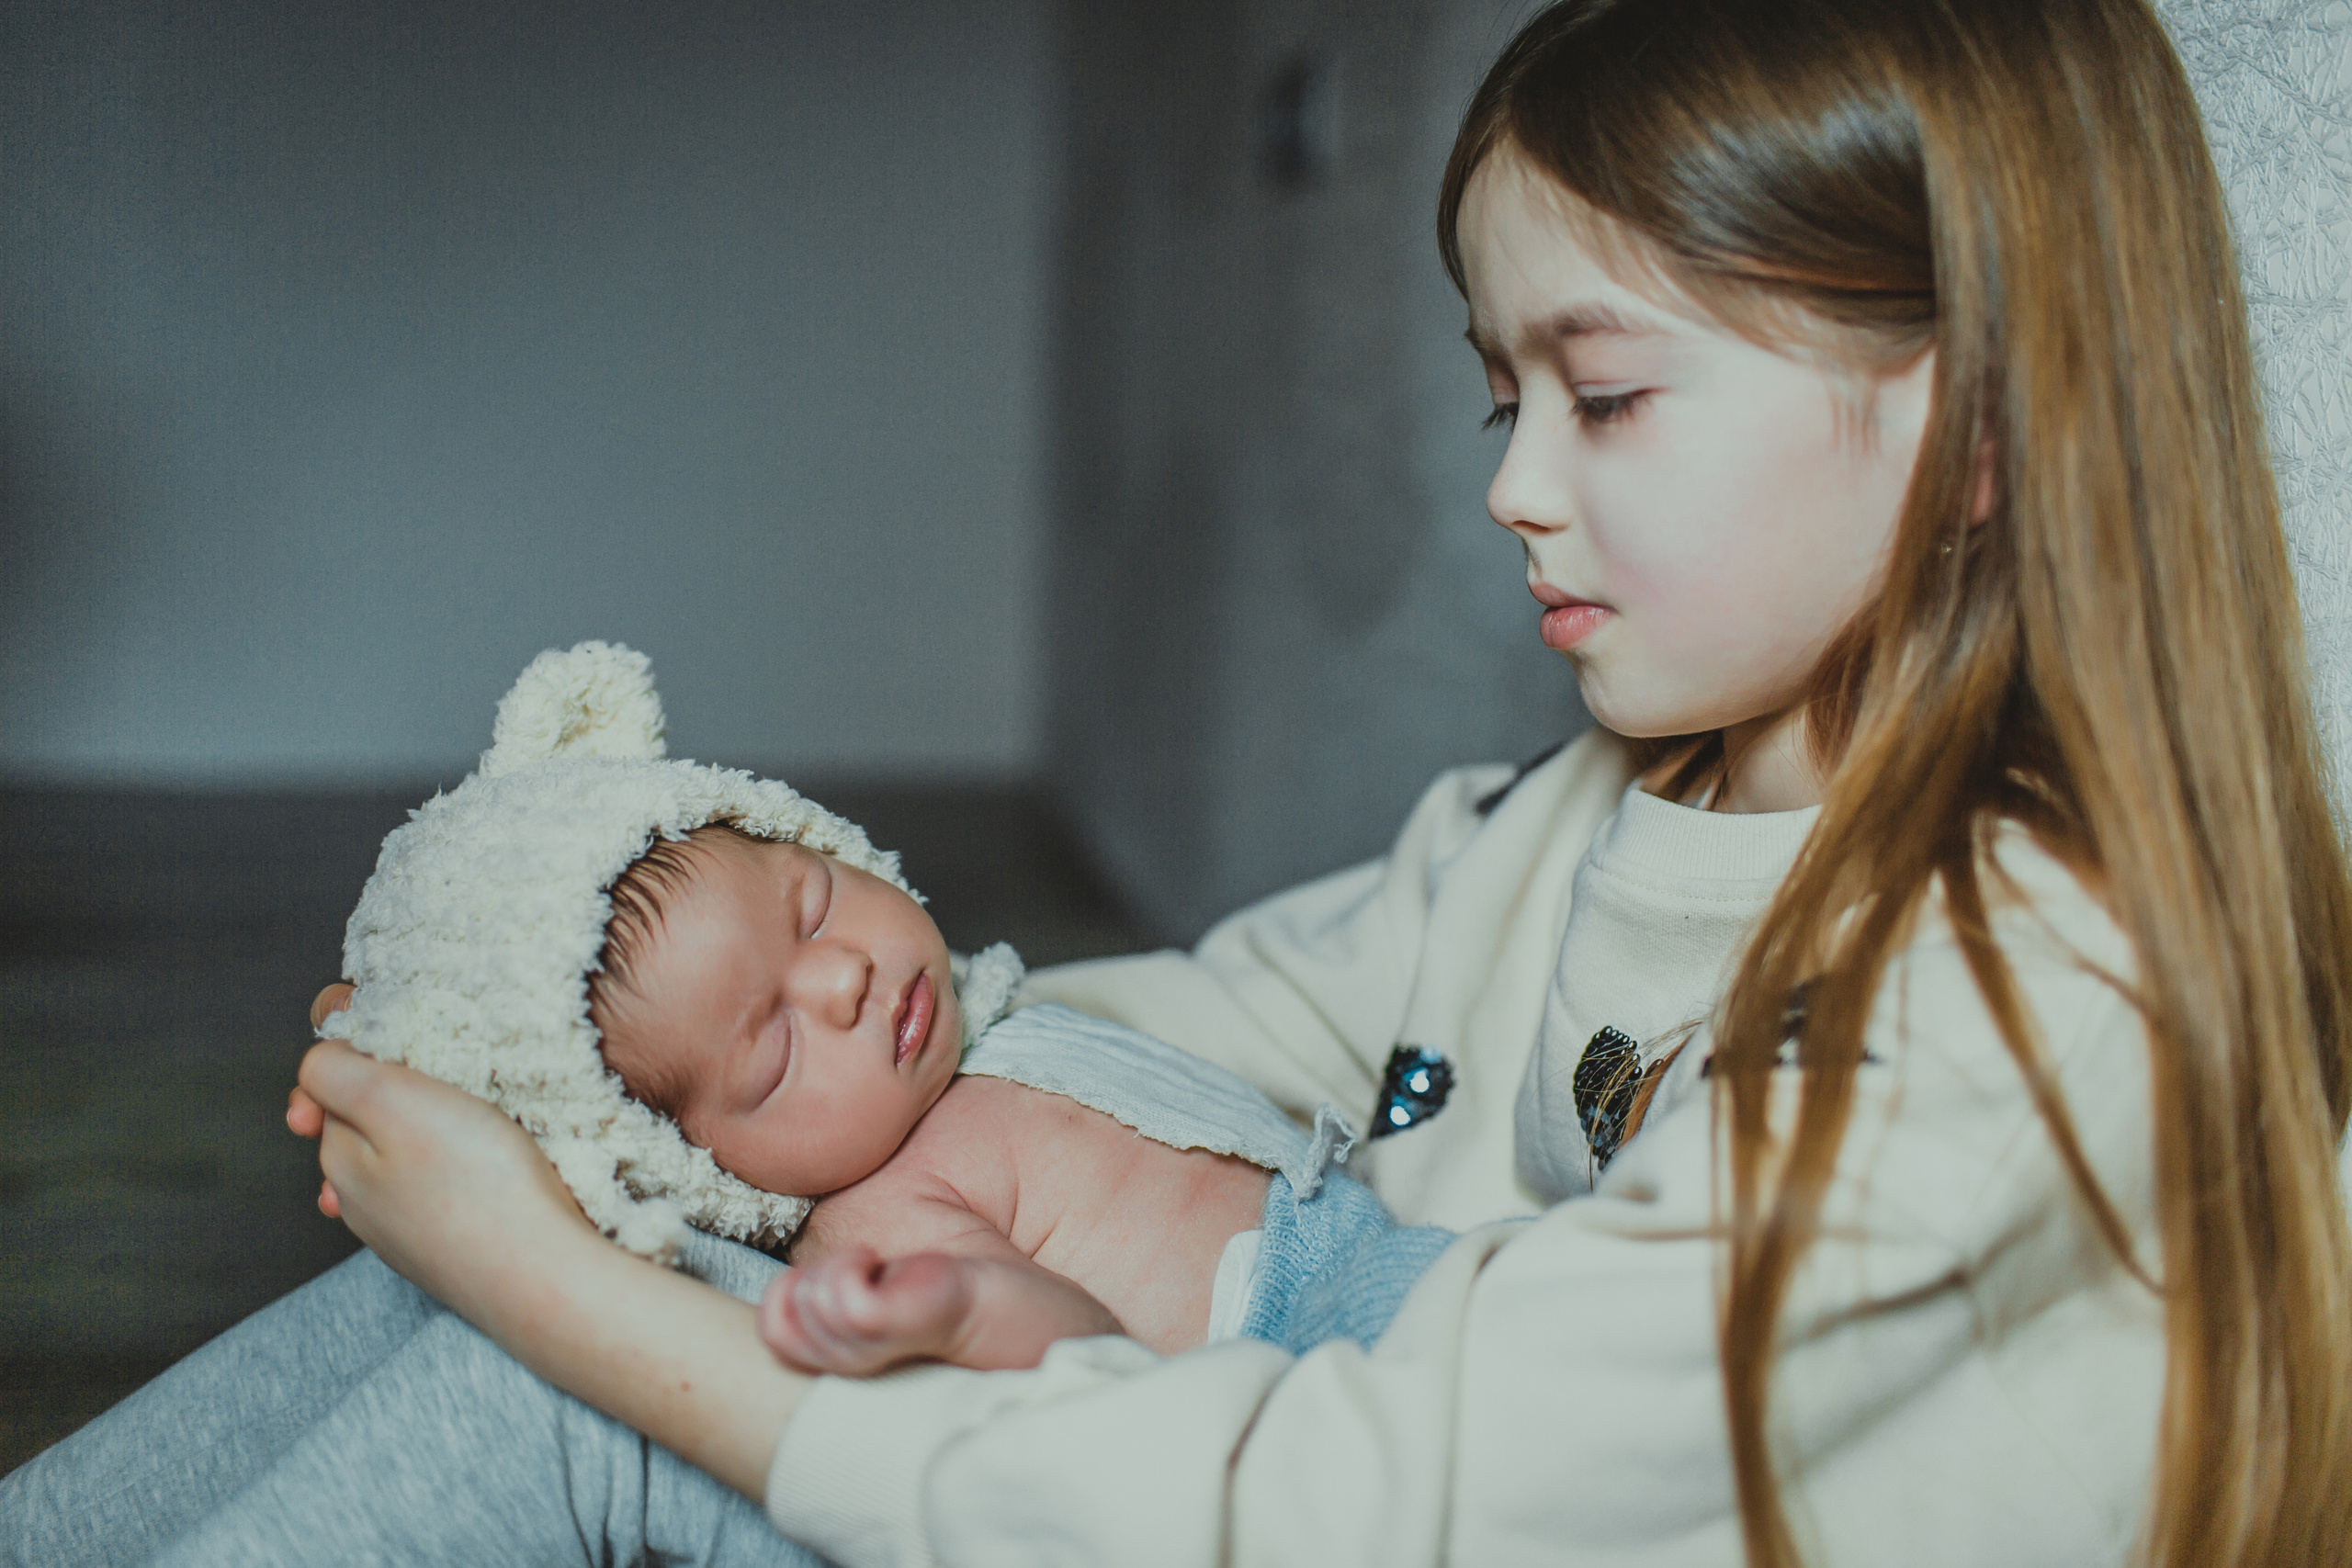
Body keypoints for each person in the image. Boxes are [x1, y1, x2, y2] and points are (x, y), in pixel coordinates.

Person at [7, 0, 2350, 1562]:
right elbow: (1214, 1011)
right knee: (621, 1258)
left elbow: (1355, 1508)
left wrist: (544, 1264)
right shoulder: (1620, 809)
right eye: (1490, 395)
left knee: (587, 1378)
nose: (1513, 487)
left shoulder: (2024, 987)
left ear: (1978, 424)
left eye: (1604, 395)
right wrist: (590, 1115)